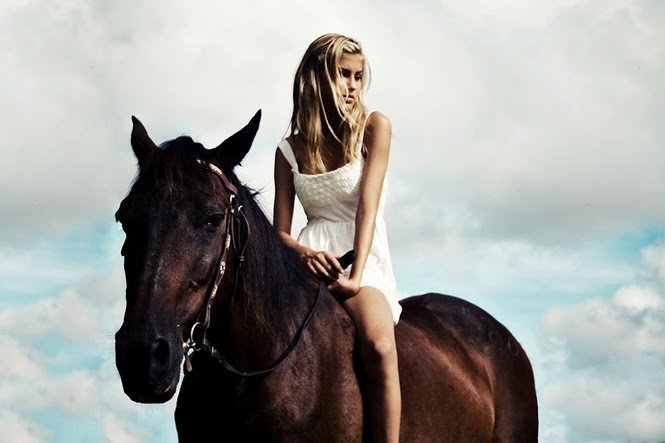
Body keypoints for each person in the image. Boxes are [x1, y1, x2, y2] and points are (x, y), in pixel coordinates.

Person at [272, 33, 402, 442]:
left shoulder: (374, 127)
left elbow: (367, 209)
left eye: (358, 77)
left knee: (380, 347)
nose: (352, 86)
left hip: (361, 258)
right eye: (343, 74)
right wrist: (304, 254)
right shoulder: (287, 151)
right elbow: (279, 234)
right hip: (308, 263)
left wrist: (356, 276)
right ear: (317, 78)